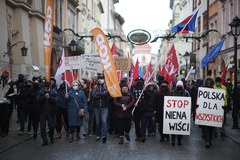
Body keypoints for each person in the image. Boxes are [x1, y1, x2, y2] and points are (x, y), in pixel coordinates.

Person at [37, 81, 58, 146]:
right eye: (45, 87)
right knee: (42, 127)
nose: (46, 89)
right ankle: (44, 140)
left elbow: (56, 100)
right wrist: (44, 97)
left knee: (52, 126)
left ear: (49, 87)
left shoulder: (53, 92)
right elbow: (37, 99)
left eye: (47, 87)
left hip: (50, 112)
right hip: (43, 112)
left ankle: (51, 136)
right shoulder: (41, 92)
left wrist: (50, 98)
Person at [170, 80, 190, 146]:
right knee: (173, 127)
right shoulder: (172, 93)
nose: (179, 87)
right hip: (174, 113)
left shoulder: (186, 93)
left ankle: (179, 140)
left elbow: (189, 102)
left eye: (180, 86)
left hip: (182, 113)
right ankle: (173, 140)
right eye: (178, 86)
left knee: (180, 127)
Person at [92, 74, 110, 143]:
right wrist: (102, 95)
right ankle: (98, 135)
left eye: (102, 78)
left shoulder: (106, 86)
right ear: (98, 80)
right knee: (97, 122)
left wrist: (98, 94)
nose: (101, 80)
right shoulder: (94, 86)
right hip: (96, 107)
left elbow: (106, 94)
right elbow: (93, 96)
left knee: (104, 121)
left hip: (104, 107)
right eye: (99, 78)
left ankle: (104, 135)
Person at [131, 77, 148, 142]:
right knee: (137, 123)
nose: (139, 82)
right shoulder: (133, 89)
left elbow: (148, 97)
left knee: (143, 123)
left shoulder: (145, 88)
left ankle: (143, 135)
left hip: (144, 109)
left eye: (140, 81)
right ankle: (138, 135)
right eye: (138, 81)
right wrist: (134, 103)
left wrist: (145, 90)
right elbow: (131, 97)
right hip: (136, 109)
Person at [199, 77, 215, 148]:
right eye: (207, 83)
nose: (208, 84)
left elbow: (218, 101)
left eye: (210, 83)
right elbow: (198, 100)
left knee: (211, 128)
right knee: (205, 128)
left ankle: (209, 140)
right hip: (204, 113)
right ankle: (207, 141)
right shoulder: (202, 91)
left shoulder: (215, 91)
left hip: (212, 113)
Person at [0, 70, 15, 137]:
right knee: (0, 118)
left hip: (7, 104)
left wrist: (8, 96)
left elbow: (15, 93)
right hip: (0, 103)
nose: (4, 76)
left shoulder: (12, 83)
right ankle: (2, 130)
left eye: (5, 75)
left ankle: (5, 131)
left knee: (6, 118)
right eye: (3, 74)